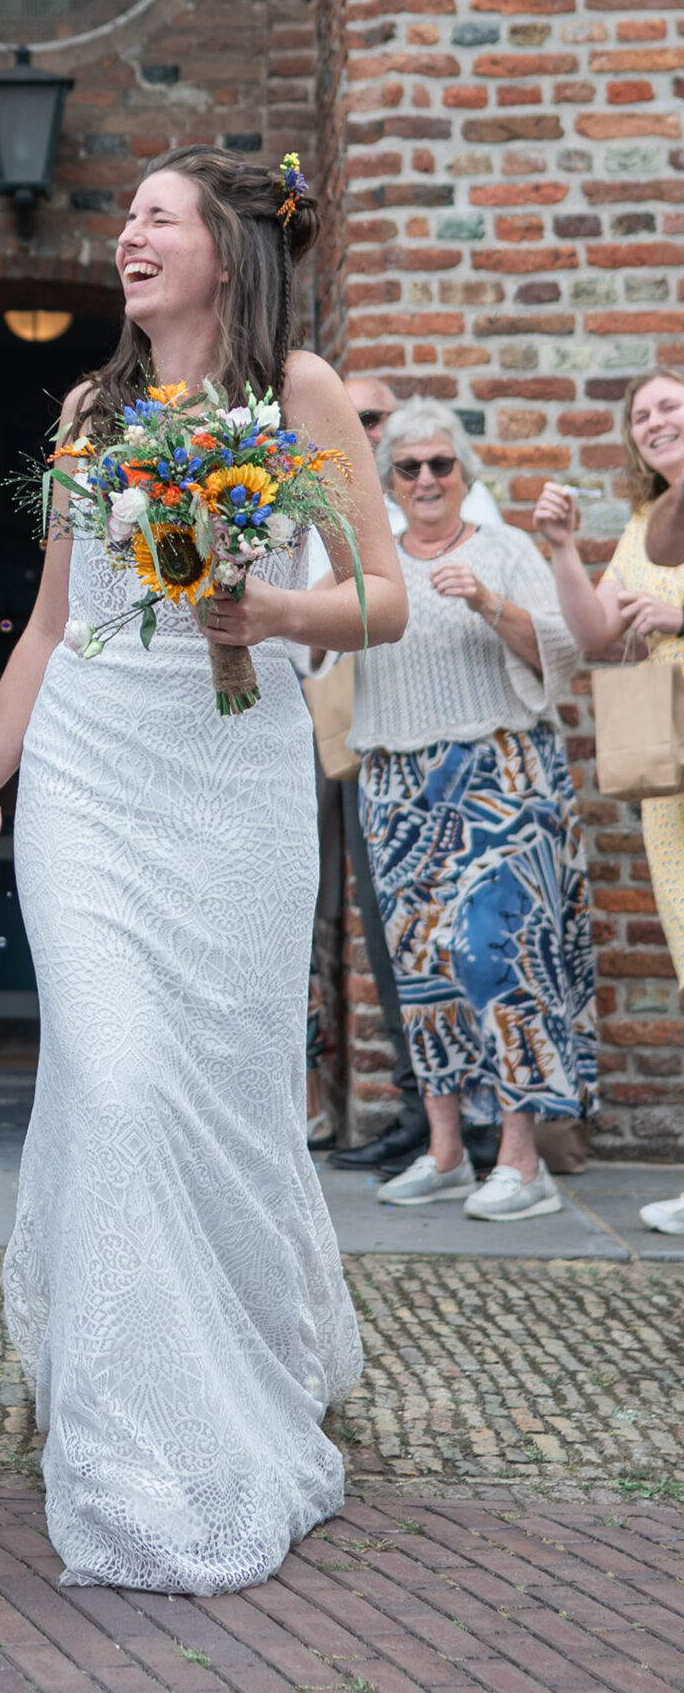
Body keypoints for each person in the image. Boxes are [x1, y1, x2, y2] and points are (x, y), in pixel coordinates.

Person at [0, 147, 408, 1595]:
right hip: (95, 778)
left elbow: (386, 599)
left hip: (232, 791)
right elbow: (49, 627)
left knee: (218, 1088)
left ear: (227, 245)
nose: (127, 239)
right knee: (111, 1075)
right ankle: (129, 1427)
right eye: (127, 220)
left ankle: (244, 1361)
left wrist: (273, 605)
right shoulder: (92, 409)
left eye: (157, 217)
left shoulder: (302, 395)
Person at [356, 401, 596, 1224]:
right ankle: (447, 1151)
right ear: (388, 480)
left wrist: (491, 603)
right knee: (423, 970)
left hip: (502, 776)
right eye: (408, 467)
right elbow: (310, 641)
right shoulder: (372, 557)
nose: (426, 479)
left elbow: (564, 654)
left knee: (501, 957)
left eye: (440, 465)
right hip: (396, 782)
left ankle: (523, 1164)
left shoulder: (505, 548)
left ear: (465, 472)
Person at [324, 377, 504, 1178]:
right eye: (354, 420)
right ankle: (415, 1108)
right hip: (369, 746)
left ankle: (492, 1120)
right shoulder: (339, 507)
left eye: (375, 419)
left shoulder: (466, 509)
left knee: (476, 941)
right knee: (393, 940)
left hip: (462, 755)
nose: (365, 433)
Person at [535, 367, 684, 1239]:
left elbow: (660, 620)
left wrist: (675, 620)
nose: (656, 422)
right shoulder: (642, 516)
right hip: (670, 778)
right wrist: (560, 547)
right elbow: (597, 638)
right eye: (642, 415)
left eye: (670, 404)